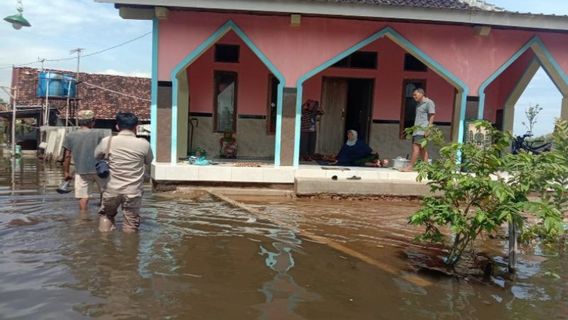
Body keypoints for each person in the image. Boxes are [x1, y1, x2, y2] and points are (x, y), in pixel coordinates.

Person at [95, 112, 153, 233]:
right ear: (136, 127)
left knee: (107, 215)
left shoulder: (107, 141)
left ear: (117, 126)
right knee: (131, 222)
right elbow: (149, 161)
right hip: (133, 190)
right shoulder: (144, 144)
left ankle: (105, 245)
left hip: (111, 189)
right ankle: (129, 249)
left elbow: (97, 156)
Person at [62, 110, 109, 211]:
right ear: (92, 121)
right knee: (105, 193)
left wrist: (66, 172)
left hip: (81, 171)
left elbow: (67, 156)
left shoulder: (70, 136)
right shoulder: (99, 134)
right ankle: (103, 215)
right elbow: (106, 151)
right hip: (100, 169)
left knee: (83, 197)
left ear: (79, 122)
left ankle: (83, 218)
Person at [401, 88, 435, 172]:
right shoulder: (418, 104)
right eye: (413, 95)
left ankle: (410, 167)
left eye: (415, 95)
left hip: (422, 129)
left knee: (415, 148)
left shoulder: (429, 102)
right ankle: (426, 167)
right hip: (417, 129)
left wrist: (428, 129)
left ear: (421, 94)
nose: (413, 97)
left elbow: (432, 115)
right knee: (422, 149)